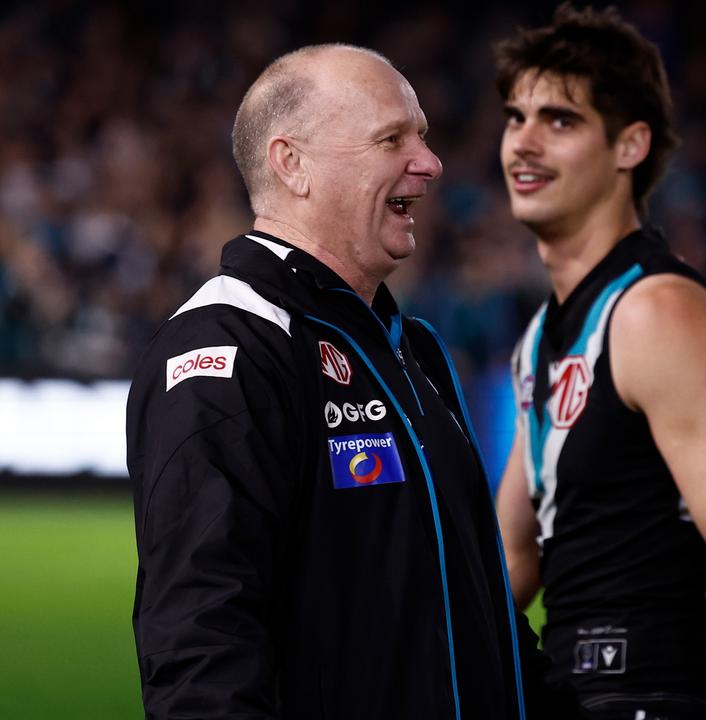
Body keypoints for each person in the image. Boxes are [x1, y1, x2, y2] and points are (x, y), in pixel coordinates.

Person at [127, 44, 572, 719]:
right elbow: (201, 644)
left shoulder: (410, 350)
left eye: (421, 135)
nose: (429, 162)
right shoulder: (230, 346)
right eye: (392, 137)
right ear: (293, 165)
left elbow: (475, 603)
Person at [491, 5, 706, 719]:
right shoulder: (543, 333)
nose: (523, 143)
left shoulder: (659, 312)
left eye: (560, 121)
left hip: (651, 699)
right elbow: (513, 560)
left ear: (630, 145)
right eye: (516, 118)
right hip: (572, 696)